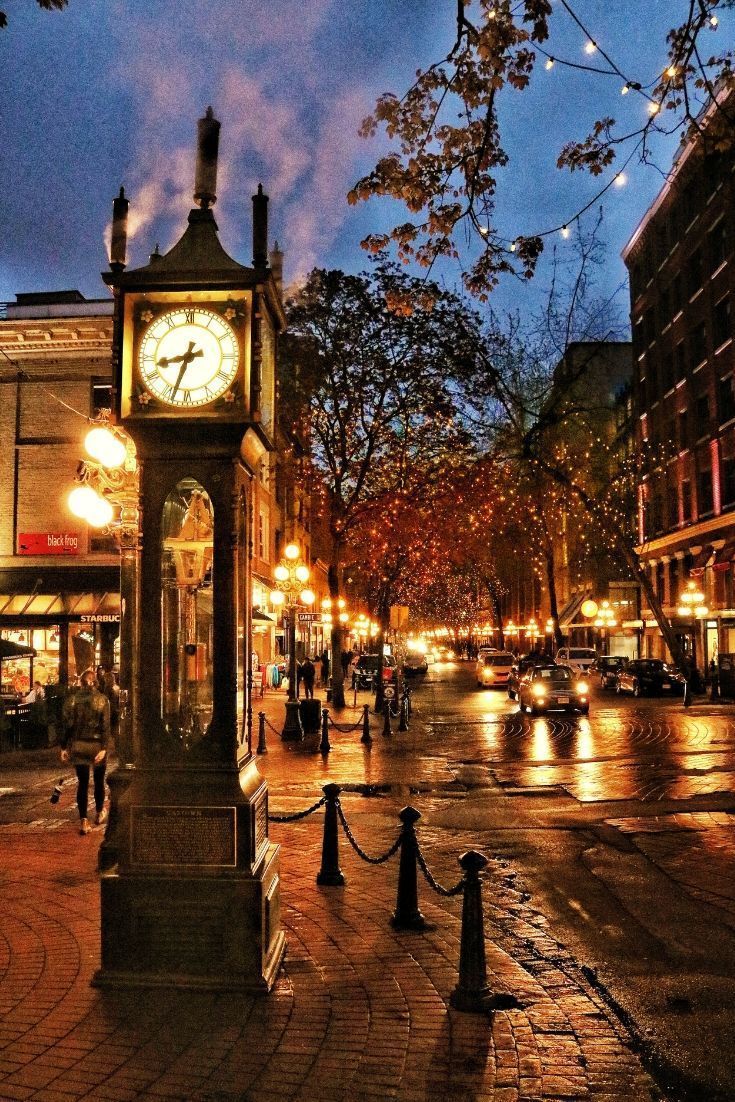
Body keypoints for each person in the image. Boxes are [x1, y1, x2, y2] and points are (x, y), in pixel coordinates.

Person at [60, 667, 110, 836]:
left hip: (78, 744)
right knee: (98, 780)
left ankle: (83, 820)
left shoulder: (73, 700)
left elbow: (67, 725)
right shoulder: (102, 700)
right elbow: (105, 726)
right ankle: (99, 812)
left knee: (82, 783)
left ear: (80, 683)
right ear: (95, 683)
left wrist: (63, 747)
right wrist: (104, 747)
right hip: (96, 745)